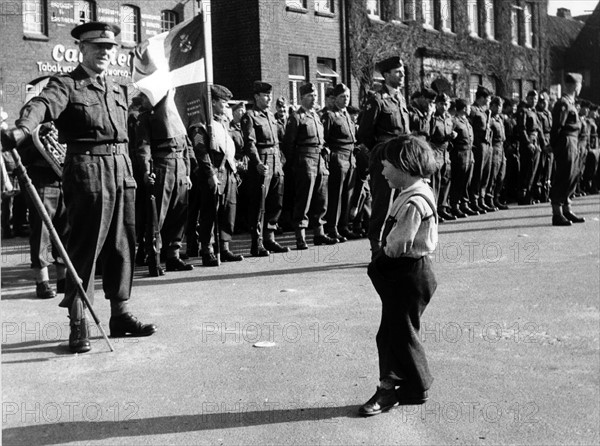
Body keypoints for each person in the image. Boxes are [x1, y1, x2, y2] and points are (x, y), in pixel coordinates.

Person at [5, 22, 156, 353]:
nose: (104, 52)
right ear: (81, 50)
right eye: (97, 47)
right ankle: (79, 323)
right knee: (83, 250)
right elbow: (42, 105)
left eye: (109, 47)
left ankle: (120, 314)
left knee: (122, 247)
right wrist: (21, 130)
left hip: (121, 171)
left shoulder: (118, 89)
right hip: (88, 173)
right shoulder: (66, 84)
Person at [360, 135, 438, 417]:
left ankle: (390, 390)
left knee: (396, 333)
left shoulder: (413, 200)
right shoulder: (413, 191)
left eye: (385, 167)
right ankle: (414, 387)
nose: (382, 173)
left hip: (406, 271)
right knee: (397, 332)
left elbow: (398, 244)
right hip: (412, 270)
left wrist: (378, 263)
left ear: (403, 166)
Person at [134, 90, 194, 273]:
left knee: (179, 213)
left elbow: (186, 148)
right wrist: (146, 171)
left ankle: (173, 256)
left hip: (180, 169)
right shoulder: (146, 118)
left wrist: (188, 173)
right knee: (157, 215)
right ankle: (154, 259)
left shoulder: (175, 116)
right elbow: (143, 147)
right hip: (161, 166)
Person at [357, 56, 410, 257]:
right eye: (398, 72)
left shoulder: (400, 99)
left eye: (402, 71)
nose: (402, 75)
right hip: (384, 159)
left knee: (400, 203)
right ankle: (376, 247)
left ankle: (392, 245)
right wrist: (380, 152)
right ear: (386, 75)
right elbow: (364, 133)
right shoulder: (376, 99)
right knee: (382, 203)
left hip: (401, 158)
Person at [189, 85, 244, 265]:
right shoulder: (200, 126)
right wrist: (210, 174)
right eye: (223, 102)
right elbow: (201, 151)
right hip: (213, 172)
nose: (226, 105)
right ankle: (208, 249)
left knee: (229, 210)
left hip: (228, 171)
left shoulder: (222, 123)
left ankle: (224, 247)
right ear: (213, 102)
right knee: (210, 213)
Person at [283, 83, 337, 249]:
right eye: (309, 96)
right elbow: (288, 144)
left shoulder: (316, 116)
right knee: (304, 199)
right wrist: (293, 166)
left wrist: (325, 148)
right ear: (301, 98)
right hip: (304, 159)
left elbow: (322, 138)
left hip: (319, 158)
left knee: (321, 198)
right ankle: (300, 236)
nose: (314, 98)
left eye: (315, 95)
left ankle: (319, 233)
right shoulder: (296, 117)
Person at [19, 123, 69, 299]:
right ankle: (42, 282)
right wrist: (39, 139)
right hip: (41, 179)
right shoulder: (31, 124)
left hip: (64, 179)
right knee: (41, 231)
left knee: (65, 229)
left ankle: (63, 279)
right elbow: (22, 155)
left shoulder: (64, 118)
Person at [241, 81, 289, 256]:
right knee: (259, 203)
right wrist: (257, 162)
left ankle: (270, 238)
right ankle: (257, 242)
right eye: (265, 95)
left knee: (276, 201)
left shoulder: (270, 116)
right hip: (262, 160)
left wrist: (281, 159)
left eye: (270, 95)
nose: (269, 99)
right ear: (256, 96)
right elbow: (249, 143)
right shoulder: (250, 116)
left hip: (275, 159)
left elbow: (279, 140)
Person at [322, 83, 358, 241]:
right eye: (342, 97)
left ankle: (344, 226)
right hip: (338, 157)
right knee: (336, 194)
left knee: (347, 194)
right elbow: (324, 139)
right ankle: (332, 228)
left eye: (347, 97)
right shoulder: (330, 116)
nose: (345, 100)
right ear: (335, 98)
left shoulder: (346, 116)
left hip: (350, 157)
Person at [549, 73, 585, 226]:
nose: (580, 87)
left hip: (574, 141)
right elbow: (557, 126)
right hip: (566, 141)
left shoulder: (571, 103)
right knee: (564, 175)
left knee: (573, 175)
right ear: (574, 86)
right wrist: (554, 145)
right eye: (579, 85)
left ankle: (567, 209)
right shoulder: (563, 103)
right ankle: (557, 213)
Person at [428, 92, 456, 221]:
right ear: (436, 104)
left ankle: (443, 208)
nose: (443, 106)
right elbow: (429, 136)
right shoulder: (433, 118)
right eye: (441, 103)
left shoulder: (449, 118)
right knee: (436, 182)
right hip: (435, 150)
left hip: (446, 152)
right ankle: (434, 211)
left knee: (446, 180)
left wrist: (452, 136)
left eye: (446, 104)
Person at [449, 98, 476, 217]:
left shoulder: (466, 121)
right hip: (459, 154)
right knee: (458, 180)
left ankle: (464, 204)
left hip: (469, 153)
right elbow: (450, 138)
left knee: (467, 180)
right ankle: (455, 205)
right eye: (469, 107)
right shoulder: (454, 121)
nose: (470, 110)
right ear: (464, 108)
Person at [469, 86, 494, 213]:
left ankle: (482, 199)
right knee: (478, 173)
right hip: (478, 145)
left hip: (487, 144)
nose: (489, 101)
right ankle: (474, 199)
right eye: (488, 98)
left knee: (486, 173)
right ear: (482, 98)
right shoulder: (473, 110)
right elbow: (470, 127)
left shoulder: (485, 111)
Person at [516, 90, 543, 205]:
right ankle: (523, 196)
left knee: (534, 170)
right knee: (527, 170)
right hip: (528, 143)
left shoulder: (535, 112)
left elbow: (539, 129)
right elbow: (522, 128)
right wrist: (528, 143)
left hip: (536, 141)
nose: (533, 101)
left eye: (535, 99)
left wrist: (542, 144)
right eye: (531, 98)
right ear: (527, 98)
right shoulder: (523, 111)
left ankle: (530, 196)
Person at [486, 96, 506, 211]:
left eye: (500, 105)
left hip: (501, 148)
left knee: (501, 175)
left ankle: (496, 198)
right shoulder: (490, 119)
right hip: (494, 148)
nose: (499, 108)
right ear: (492, 106)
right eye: (497, 105)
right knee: (492, 175)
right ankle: (489, 199)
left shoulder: (500, 118)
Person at [534, 91, 553, 203]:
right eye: (541, 102)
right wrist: (543, 144)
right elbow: (540, 130)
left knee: (549, 168)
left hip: (549, 139)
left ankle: (546, 192)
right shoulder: (538, 114)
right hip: (543, 141)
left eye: (545, 101)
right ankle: (539, 193)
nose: (543, 104)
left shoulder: (548, 113)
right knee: (541, 167)